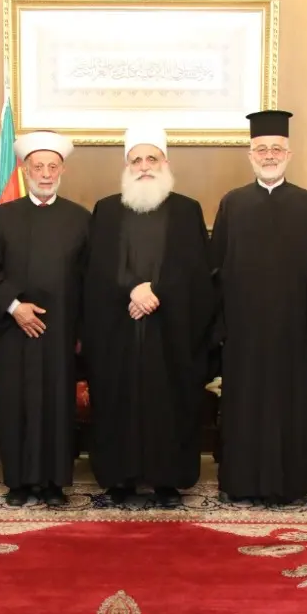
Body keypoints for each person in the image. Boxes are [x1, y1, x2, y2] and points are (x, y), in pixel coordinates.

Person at [84, 126, 215, 508]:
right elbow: (96, 270)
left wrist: (157, 292)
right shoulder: (106, 210)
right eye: (136, 160)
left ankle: (167, 481)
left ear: (165, 163)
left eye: (151, 159)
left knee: (169, 401)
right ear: (127, 165)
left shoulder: (187, 210)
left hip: (170, 329)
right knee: (117, 400)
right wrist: (132, 290)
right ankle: (119, 479)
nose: (144, 166)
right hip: (118, 328)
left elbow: (196, 270)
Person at [210, 110, 307, 505]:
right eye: (261, 149)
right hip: (243, 335)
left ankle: (289, 485)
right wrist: (221, 331)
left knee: (289, 410)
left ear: (289, 154)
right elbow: (215, 272)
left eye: (276, 149)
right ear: (250, 155)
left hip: (292, 334)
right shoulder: (232, 204)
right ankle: (241, 483)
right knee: (243, 408)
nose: (269, 155)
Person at [0, 131, 90, 506]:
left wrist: (81, 330)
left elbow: (90, 278)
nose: (45, 174)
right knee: (16, 404)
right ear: (25, 171)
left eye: (52, 167)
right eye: (38, 167)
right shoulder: (2, 217)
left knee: (57, 405)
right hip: (15, 330)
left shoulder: (80, 219)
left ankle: (55, 483)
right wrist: (15, 307)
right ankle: (19, 483)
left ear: (62, 171)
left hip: (61, 331)